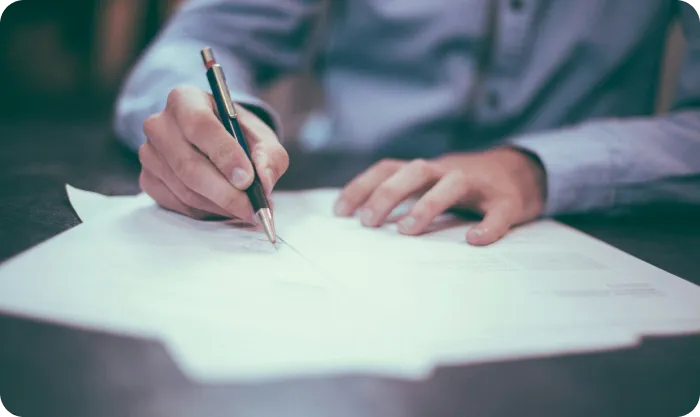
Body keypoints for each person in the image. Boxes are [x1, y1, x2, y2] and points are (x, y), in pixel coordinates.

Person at [114, 0, 700, 246]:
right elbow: (197, 42)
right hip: (347, 203)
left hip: (592, 224)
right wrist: (214, 126)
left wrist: (538, 169)